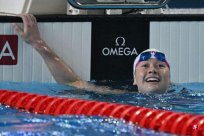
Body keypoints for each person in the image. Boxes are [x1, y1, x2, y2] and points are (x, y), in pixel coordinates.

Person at [12, 14, 171, 94]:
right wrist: (37, 43)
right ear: (134, 80)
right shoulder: (120, 96)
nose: (152, 69)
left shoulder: (189, 99)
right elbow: (72, 82)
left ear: (170, 78)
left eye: (160, 65)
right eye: (145, 65)